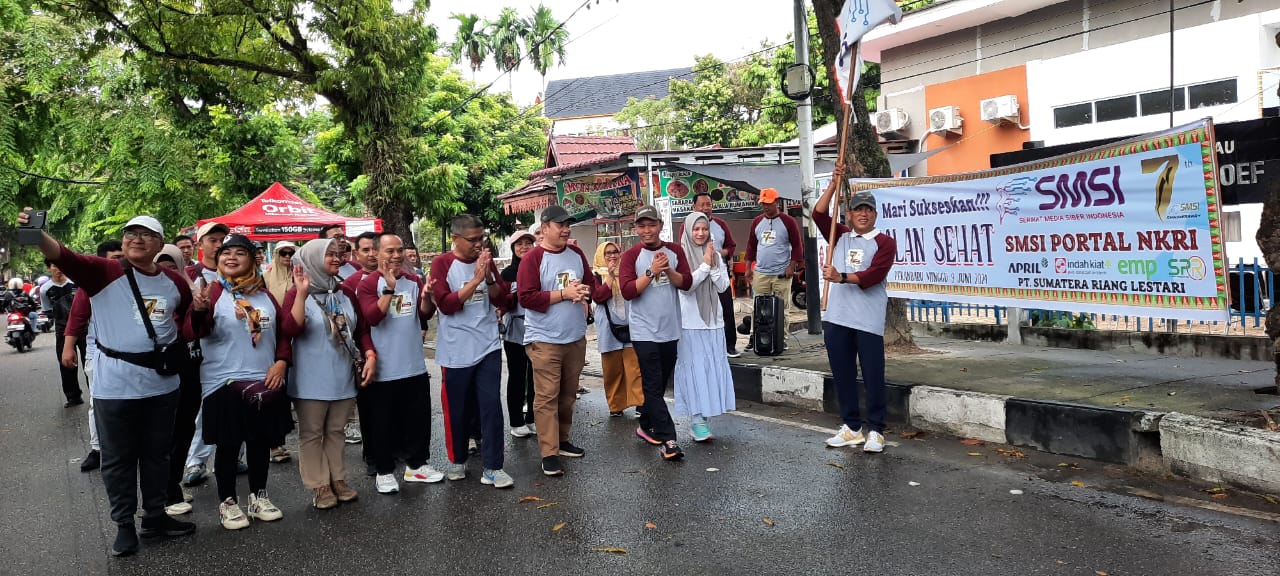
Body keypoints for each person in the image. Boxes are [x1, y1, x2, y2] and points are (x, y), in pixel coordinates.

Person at [19, 210, 196, 557]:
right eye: (131, 232)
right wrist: (33, 232)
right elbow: (62, 255)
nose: (136, 239)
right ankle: (124, 526)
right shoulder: (103, 272)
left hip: (162, 386)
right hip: (115, 387)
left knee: (158, 456)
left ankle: (155, 517)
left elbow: (186, 322)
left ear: (160, 245)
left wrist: (201, 313)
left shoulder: (174, 282)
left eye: (146, 234)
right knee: (117, 459)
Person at [184, 234, 293, 529]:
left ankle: (258, 496)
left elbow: (283, 331)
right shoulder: (213, 292)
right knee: (229, 445)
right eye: (225, 253)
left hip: (262, 380)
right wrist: (199, 310)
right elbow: (195, 332)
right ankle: (228, 502)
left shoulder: (264, 295)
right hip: (224, 381)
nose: (230, 258)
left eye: (239, 253)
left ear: (252, 259)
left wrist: (282, 362)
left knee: (259, 443)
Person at [282, 238, 376, 509]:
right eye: (330, 255)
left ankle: (338, 479)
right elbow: (290, 329)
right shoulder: (297, 292)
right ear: (312, 259)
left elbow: (361, 330)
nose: (337, 259)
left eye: (339, 254)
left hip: (342, 374)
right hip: (310, 377)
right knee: (312, 433)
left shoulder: (345, 292)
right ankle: (319, 485)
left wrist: (369, 354)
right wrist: (301, 295)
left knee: (336, 430)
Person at [517, 206, 610, 476]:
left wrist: (585, 290)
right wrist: (564, 294)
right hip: (544, 339)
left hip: (575, 336)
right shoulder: (533, 259)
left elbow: (591, 283)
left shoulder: (576, 253)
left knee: (568, 395)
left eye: (568, 224)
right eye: (560, 225)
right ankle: (549, 452)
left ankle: (563, 439)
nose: (566, 229)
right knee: (546, 397)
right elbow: (527, 297)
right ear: (544, 228)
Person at [813, 166, 897, 454]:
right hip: (837, 318)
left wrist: (842, 277)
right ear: (849, 214)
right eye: (858, 210)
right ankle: (851, 427)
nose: (863, 214)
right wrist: (834, 185)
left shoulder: (884, 242)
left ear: (875, 214)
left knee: (873, 375)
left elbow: (874, 275)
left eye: (868, 210)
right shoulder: (840, 234)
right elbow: (818, 215)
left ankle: (876, 430)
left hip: (867, 321)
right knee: (843, 374)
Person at [430, 215, 515, 488]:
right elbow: (446, 305)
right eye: (472, 240)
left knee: (491, 406)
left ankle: (493, 466)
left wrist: (488, 275)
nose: (479, 245)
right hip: (456, 350)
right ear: (455, 238)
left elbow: (502, 298)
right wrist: (475, 279)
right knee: (457, 408)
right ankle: (456, 460)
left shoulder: (485, 263)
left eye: (482, 238)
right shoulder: (442, 264)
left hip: (488, 344)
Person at [358, 233, 445, 493]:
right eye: (389, 251)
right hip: (383, 368)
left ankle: (417, 466)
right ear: (376, 253)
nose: (396, 256)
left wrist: (427, 296)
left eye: (400, 250)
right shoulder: (367, 284)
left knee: (417, 420)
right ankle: (384, 471)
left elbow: (423, 315)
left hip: (414, 365)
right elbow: (373, 317)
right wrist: (388, 287)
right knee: (383, 423)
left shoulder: (414, 280)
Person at [619, 205, 693, 461]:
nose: (647, 230)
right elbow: (628, 291)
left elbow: (687, 283)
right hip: (643, 331)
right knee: (652, 383)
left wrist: (667, 269)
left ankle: (646, 424)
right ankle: (669, 439)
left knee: (660, 383)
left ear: (660, 225)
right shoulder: (631, 256)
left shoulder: (674, 251)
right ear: (636, 228)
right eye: (642, 225)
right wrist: (651, 272)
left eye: (651, 225)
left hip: (670, 328)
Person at [63, 240, 124, 473]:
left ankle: (130, 448)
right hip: (98, 353)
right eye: (114, 258)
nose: (119, 262)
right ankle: (98, 449)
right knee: (98, 402)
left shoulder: (137, 279)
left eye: (122, 257)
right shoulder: (91, 284)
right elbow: (77, 316)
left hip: (136, 358)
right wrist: (68, 347)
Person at [674, 212, 735, 441]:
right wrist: (704, 267)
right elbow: (686, 287)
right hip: (690, 324)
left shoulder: (715, 256)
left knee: (710, 371)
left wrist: (713, 263)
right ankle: (696, 420)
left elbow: (721, 287)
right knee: (694, 370)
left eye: (704, 229)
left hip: (713, 322)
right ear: (688, 230)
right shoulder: (680, 256)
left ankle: (704, 419)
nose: (700, 233)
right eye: (696, 229)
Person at [318, 225, 362, 445]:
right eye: (335, 238)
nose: (342, 240)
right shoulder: (303, 285)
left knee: (335, 430)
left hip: (346, 351)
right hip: (316, 366)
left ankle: (351, 424)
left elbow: (359, 321)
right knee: (314, 432)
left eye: (343, 236)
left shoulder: (351, 274)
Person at [744, 187, 803, 352]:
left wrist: (792, 266)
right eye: (763, 204)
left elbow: (798, 246)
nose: (765, 207)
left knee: (782, 308)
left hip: (781, 273)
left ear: (777, 202)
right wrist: (748, 267)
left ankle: (781, 338)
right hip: (761, 272)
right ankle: (754, 338)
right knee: (758, 307)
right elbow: (751, 246)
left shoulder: (788, 221)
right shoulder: (756, 222)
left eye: (769, 203)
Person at [592, 241, 643, 418]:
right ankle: (616, 405)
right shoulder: (596, 275)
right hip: (608, 327)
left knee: (634, 367)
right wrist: (611, 278)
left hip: (630, 324)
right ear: (600, 256)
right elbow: (598, 297)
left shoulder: (628, 272)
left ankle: (639, 403)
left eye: (615, 252)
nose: (612, 256)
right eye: (607, 253)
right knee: (612, 369)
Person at [686, 192, 740, 357]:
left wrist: (719, 253)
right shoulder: (686, 226)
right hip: (698, 277)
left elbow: (731, 246)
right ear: (694, 207)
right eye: (701, 204)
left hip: (718, 273)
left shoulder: (721, 224)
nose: (705, 208)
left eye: (708, 204)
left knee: (726, 310)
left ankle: (730, 345)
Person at [501, 225, 537, 437]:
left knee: (536, 376)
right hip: (515, 328)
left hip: (538, 329)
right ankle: (516, 421)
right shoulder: (507, 273)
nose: (524, 247)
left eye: (528, 243)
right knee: (517, 375)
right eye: (520, 244)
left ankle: (532, 417)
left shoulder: (538, 268)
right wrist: (516, 296)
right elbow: (501, 302)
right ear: (513, 247)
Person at [41, 260, 84, 407]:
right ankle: (73, 396)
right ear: (49, 268)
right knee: (66, 363)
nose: (58, 268)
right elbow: (47, 310)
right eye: (54, 265)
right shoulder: (44, 290)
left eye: (61, 264)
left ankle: (96, 393)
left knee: (90, 361)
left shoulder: (75, 283)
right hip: (62, 330)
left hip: (83, 328)